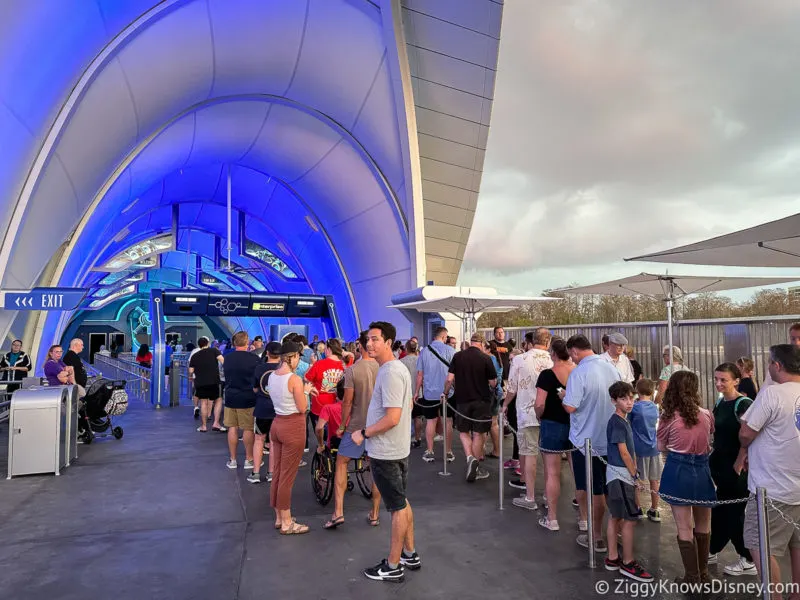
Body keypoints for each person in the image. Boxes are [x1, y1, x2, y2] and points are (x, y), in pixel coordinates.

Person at [351, 322, 418, 582]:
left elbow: (392, 417)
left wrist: (364, 433)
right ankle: (409, 554)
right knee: (401, 501)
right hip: (396, 448)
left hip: (387, 451)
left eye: (376, 339)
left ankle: (392, 566)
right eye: (368, 339)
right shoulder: (395, 369)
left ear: (389, 342)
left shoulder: (390, 372)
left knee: (397, 507)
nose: (370, 344)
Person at [738, 344, 800, 596]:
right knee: (797, 546)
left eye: (769, 363)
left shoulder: (773, 393)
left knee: (760, 546)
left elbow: (746, 432)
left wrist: (745, 446)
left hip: (771, 489)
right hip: (795, 486)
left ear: (777, 365)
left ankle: (772, 595)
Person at [562, 333, 621, 553]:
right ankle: (614, 532)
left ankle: (595, 536)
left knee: (592, 490)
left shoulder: (579, 373)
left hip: (586, 441)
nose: (572, 359)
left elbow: (571, 406)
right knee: (610, 488)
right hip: (610, 439)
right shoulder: (611, 368)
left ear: (575, 351)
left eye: (572, 356)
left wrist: (563, 398)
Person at [657, 370, 715, 585]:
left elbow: (660, 446)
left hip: (677, 468)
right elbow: (709, 440)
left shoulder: (668, 417)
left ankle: (691, 577)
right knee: (704, 524)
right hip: (702, 469)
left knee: (684, 526)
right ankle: (703, 573)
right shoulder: (707, 414)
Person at [325, 330, 381, 529]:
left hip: (356, 426)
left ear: (360, 345)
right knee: (375, 467)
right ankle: (374, 513)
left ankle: (338, 511)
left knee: (341, 462)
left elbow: (347, 401)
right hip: (378, 427)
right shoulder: (383, 367)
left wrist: (341, 426)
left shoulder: (352, 370)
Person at [707, 362, 755, 576]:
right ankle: (713, 548)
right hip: (720, 465)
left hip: (737, 469)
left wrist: (739, 461)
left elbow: (750, 435)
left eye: (723, 379)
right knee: (722, 509)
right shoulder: (720, 403)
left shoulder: (743, 404)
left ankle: (748, 557)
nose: (718, 383)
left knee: (732, 513)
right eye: (716, 379)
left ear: (736, 380)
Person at [604, 381, 653, 582]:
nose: (629, 402)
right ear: (614, 400)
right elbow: (624, 452)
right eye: (623, 399)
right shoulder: (617, 422)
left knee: (616, 516)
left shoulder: (623, 420)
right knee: (629, 519)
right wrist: (635, 476)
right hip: (621, 476)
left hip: (617, 475)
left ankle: (613, 556)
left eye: (630, 397)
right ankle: (628, 562)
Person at [502, 328, 553, 509]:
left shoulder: (519, 359)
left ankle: (530, 496)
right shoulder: (553, 360)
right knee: (550, 458)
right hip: (550, 414)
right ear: (548, 342)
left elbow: (512, 388)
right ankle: (549, 496)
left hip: (526, 412)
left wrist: (505, 404)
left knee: (529, 454)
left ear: (532, 341)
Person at [268, 339, 312, 534]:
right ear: (292, 357)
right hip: (293, 426)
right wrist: (305, 391)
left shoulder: (272, 376)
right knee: (287, 476)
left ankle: (279, 516)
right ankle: (287, 522)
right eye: (297, 358)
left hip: (277, 424)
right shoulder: (294, 379)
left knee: (277, 472)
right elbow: (302, 407)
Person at [444, 332, 497, 483]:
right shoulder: (486, 358)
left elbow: (449, 379)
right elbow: (493, 382)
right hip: (482, 400)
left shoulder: (458, 356)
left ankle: (470, 458)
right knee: (479, 433)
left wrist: (445, 393)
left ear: (470, 342)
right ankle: (474, 463)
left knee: (463, 431)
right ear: (481, 343)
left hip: (462, 401)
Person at [535, 337, 575, 531]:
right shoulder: (577, 372)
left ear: (553, 353)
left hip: (551, 423)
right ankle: (584, 518)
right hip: (575, 425)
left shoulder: (547, 375)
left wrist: (538, 415)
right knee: (579, 473)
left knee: (552, 473)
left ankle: (552, 518)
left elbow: (539, 403)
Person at [414, 326, 456, 464]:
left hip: (429, 393)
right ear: (444, 337)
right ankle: (448, 451)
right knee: (448, 421)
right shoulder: (451, 351)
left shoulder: (424, 352)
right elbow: (454, 375)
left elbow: (420, 374)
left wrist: (416, 392)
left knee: (430, 421)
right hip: (448, 392)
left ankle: (430, 451)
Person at [222, 331, 262, 470]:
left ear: (234, 343)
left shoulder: (226, 358)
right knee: (248, 428)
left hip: (230, 396)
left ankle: (232, 460)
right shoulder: (254, 359)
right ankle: (249, 459)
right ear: (247, 342)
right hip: (247, 397)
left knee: (232, 427)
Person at [248, 342, 283, 484]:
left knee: (259, 440)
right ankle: (271, 473)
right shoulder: (283, 369)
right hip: (278, 410)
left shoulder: (259, 368)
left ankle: (255, 473)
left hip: (262, 408)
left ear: (267, 353)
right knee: (274, 442)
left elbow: (255, 389)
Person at [629, 378, 662, 523]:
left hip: (638, 447)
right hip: (654, 447)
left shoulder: (635, 408)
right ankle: (655, 509)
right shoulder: (655, 408)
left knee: (636, 479)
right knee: (654, 479)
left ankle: (638, 508)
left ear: (637, 389)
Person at [305, 338, 345, 438]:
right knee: (335, 430)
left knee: (320, 429)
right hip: (337, 403)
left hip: (319, 402)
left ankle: (322, 447)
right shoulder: (344, 365)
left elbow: (306, 378)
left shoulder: (319, 364)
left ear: (329, 349)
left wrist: (312, 364)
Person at [493, 326, 519, 470]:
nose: (500, 334)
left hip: (509, 378)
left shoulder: (509, 346)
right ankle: (502, 425)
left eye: (502, 332)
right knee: (500, 403)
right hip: (498, 378)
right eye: (498, 332)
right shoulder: (492, 344)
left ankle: (506, 425)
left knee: (507, 403)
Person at [188, 336, 225, 433]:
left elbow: (191, 370)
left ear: (199, 345)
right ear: (208, 343)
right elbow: (222, 361)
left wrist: (191, 376)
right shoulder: (214, 351)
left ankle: (203, 426)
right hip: (214, 381)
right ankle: (216, 423)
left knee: (203, 403)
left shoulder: (195, 356)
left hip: (200, 382)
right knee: (218, 400)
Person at [399, 339, 422, 448]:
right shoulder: (420, 360)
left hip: (406, 393)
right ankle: (418, 438)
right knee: (418, 417)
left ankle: (405, 439)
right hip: (419, 393)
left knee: (406, 418)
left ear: (406, 348)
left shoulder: (402, 361)